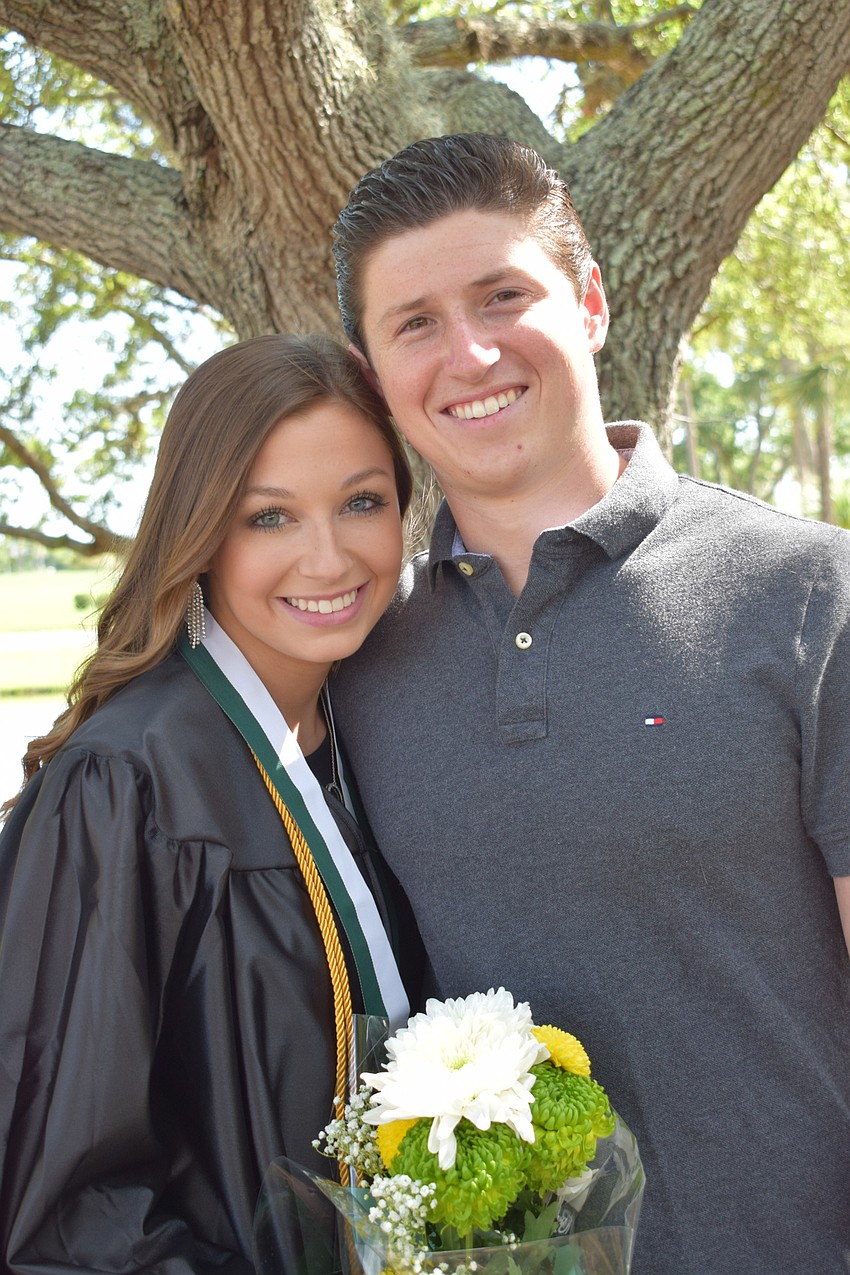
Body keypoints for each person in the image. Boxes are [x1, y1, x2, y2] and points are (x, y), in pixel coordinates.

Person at [328, 133, 850, 1274]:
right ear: (373, 377)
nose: (467, 353)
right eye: (413, 322)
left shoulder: (808, 592)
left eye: (502, 296)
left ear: (593, 304)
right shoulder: (354, 665)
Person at [0, 333, 419, 1274]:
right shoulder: (129, 784)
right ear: (200, 532)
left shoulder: (373, 740)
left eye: (363, 502)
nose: (329, 557)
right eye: (269, 518)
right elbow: (60, 1208)